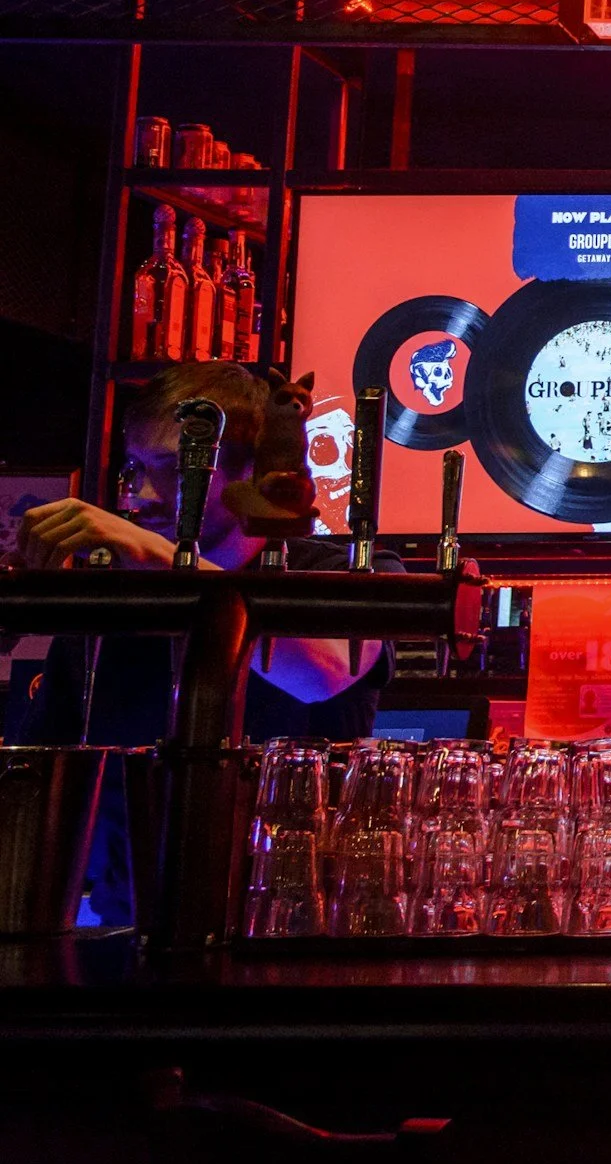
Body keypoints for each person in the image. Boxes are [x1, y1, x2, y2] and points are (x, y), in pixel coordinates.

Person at [13, 363, 397, 924]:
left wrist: (154, 556)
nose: (141, 493)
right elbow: (38, 784)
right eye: (135, 468)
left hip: (302, 929)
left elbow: (323, 675)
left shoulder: (343, 570)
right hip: (135, 930)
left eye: (175, 468)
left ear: (257, 469)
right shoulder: (114, 603)